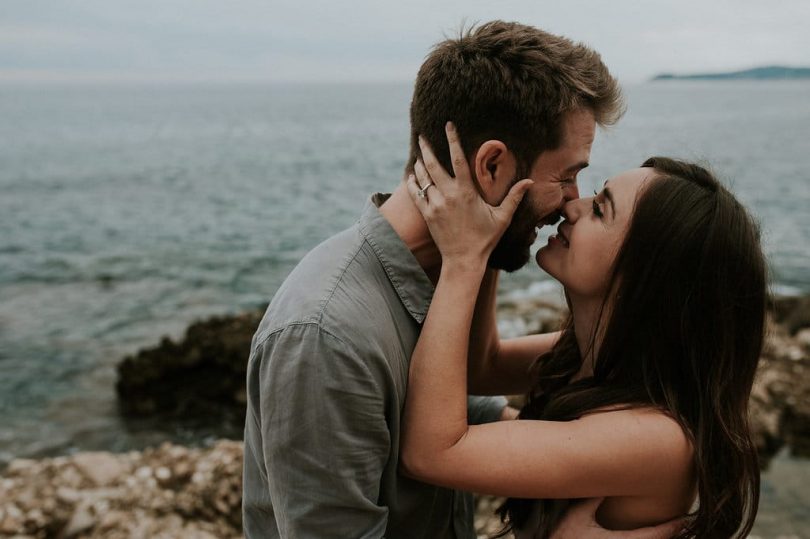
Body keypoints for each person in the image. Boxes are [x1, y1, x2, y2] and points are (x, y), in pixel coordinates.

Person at [242, 20, 679, 538]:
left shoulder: (444, 277)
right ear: (492, 165)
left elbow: (465, 406)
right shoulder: (327, 333)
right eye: (566, 175)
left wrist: (604, 457)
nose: (570, 202)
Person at [400, 125, 766, 538]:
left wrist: (463, 258)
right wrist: (496, 227)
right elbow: (483, 366)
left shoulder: (657, 437)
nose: (572, 206)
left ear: (646, 274)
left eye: (600, 210)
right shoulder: (592, 356)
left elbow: (431, 453)